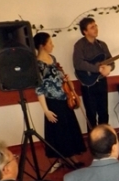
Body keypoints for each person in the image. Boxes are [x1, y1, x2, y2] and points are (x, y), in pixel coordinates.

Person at [34, 32, 85, 166]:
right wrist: (46, 110)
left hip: (64, 98)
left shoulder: (52, 58)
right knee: (61, 131)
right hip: (53, 102)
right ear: (42, 46)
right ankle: (66, 158)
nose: (53, 45)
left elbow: (57, 76)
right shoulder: (37, 65)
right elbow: (39, 90)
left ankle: (70, 157)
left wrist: (65, 79)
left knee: (69, 129)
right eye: (50, 43)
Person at [73, 17, 114, 129]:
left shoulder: (102, 45)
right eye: (92, 27)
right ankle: (93, 138)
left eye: (95, 26)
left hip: (102, 82)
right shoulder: (79, 45)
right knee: (91, 114)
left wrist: (109, 68)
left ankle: (104, 136)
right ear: (85, 31)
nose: (96, 29)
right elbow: (78, 64)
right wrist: (98, 69)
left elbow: (111, 61)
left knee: (104, 112)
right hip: (88, 84)